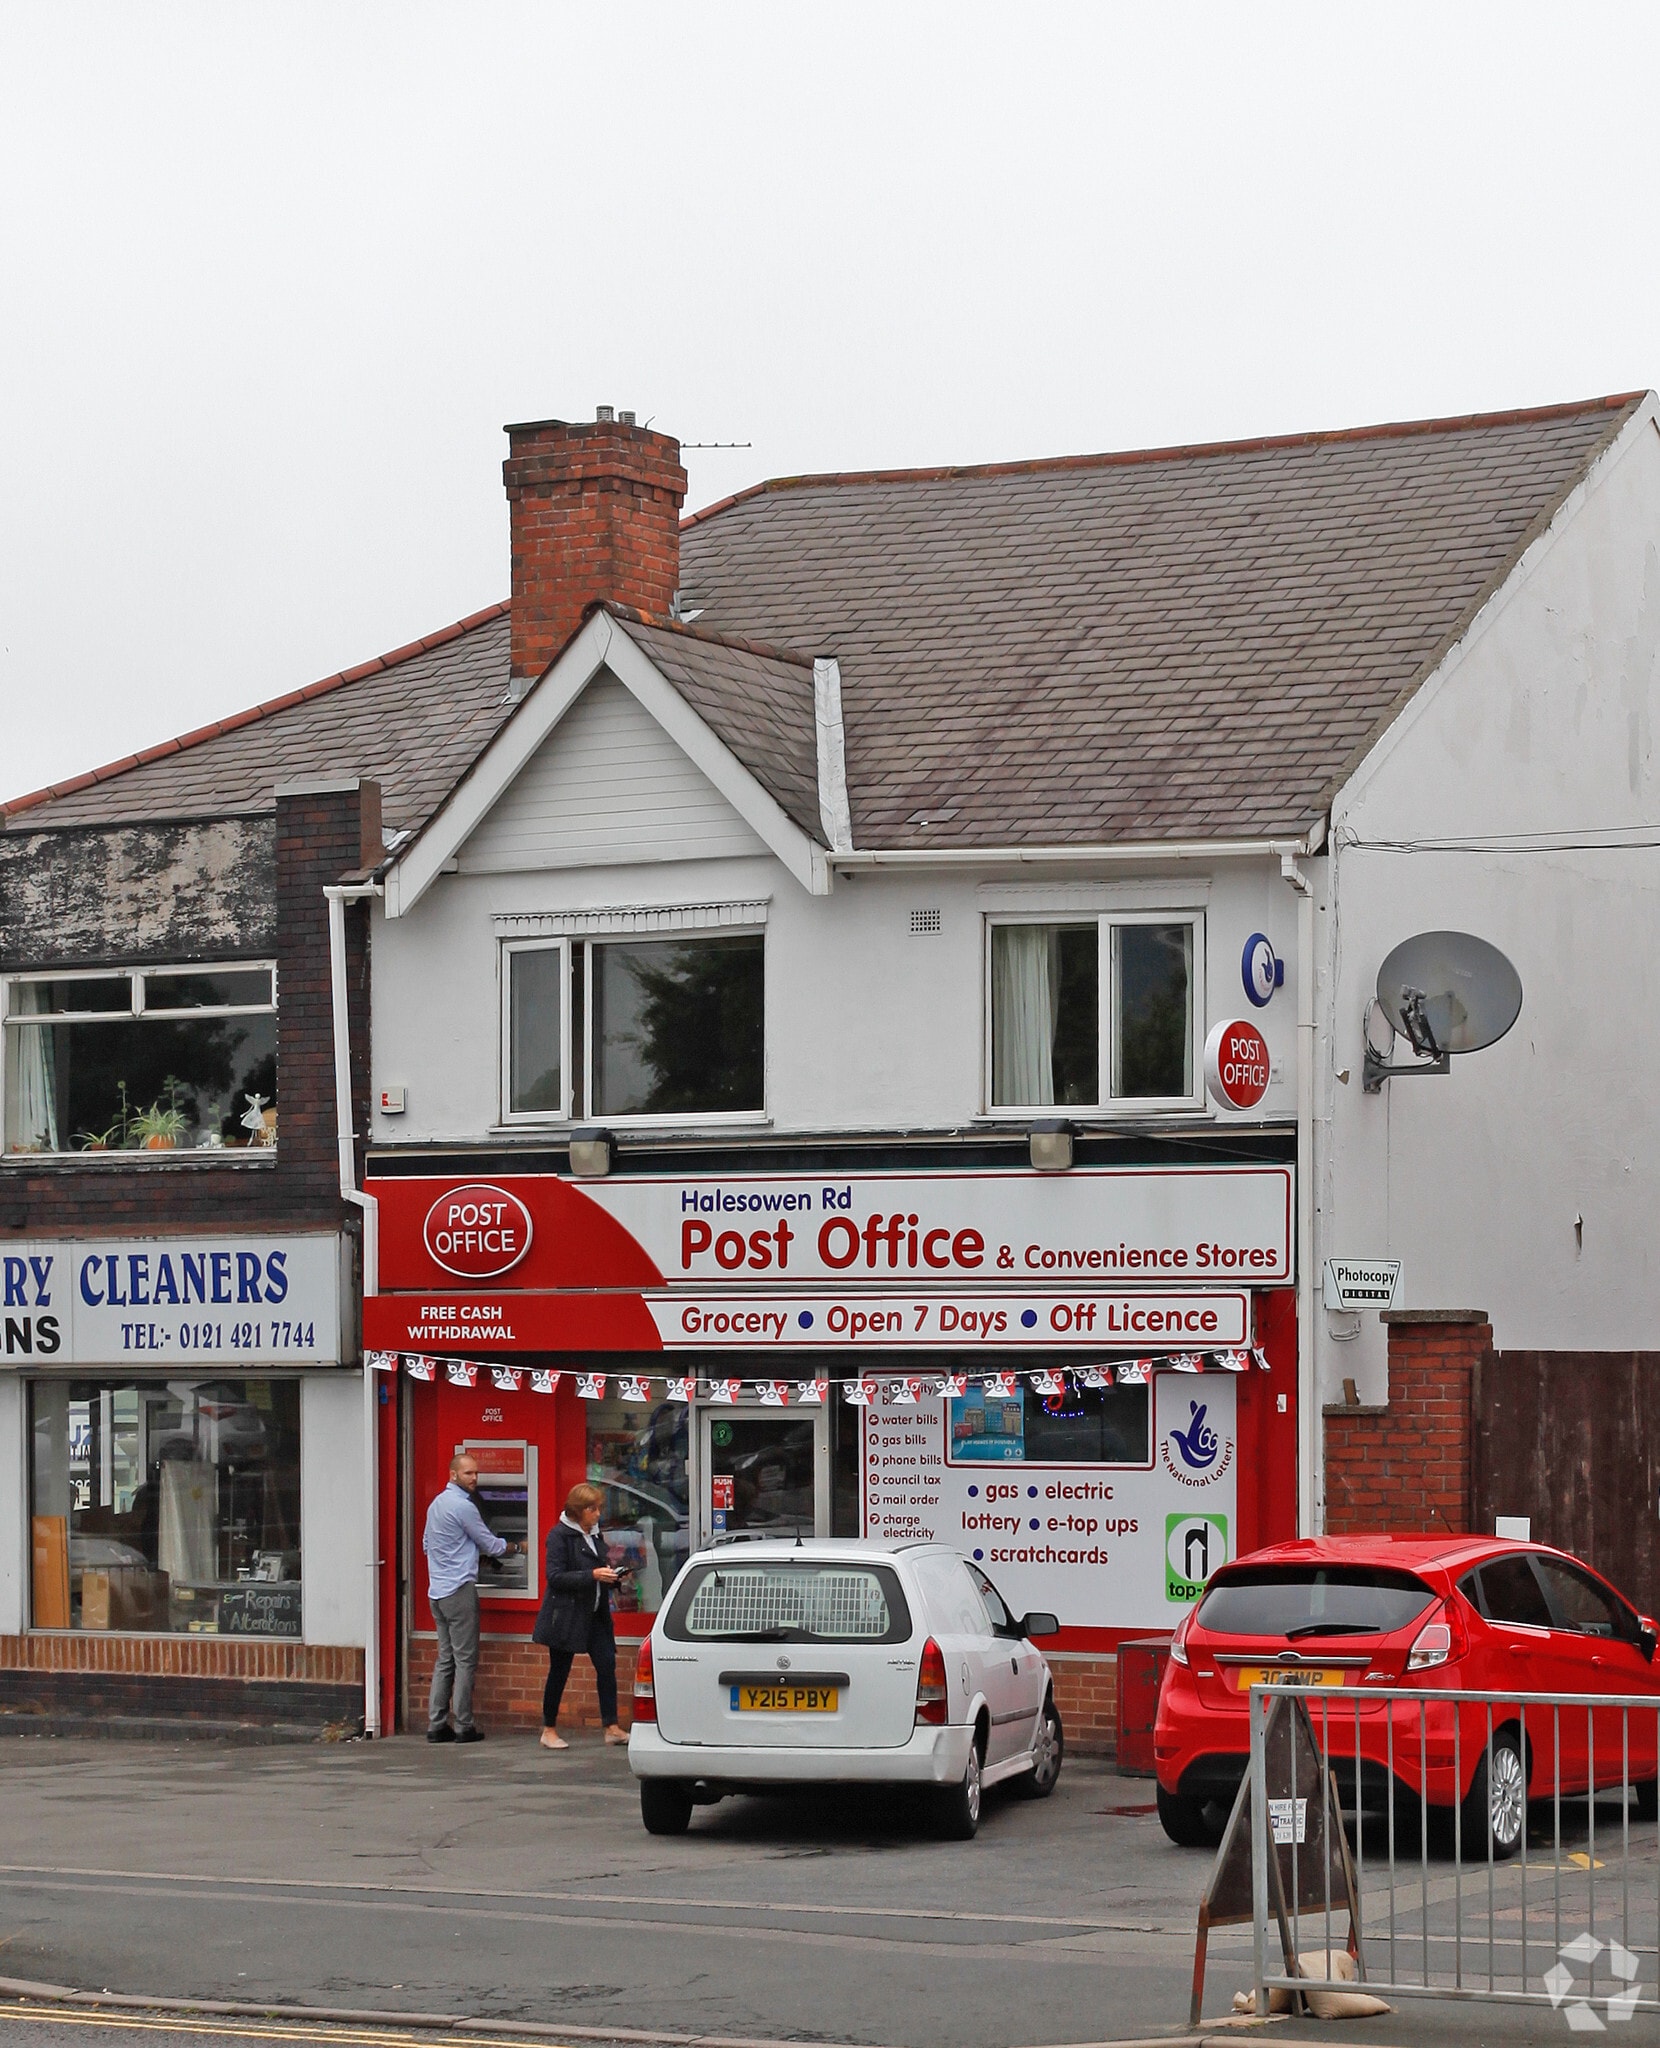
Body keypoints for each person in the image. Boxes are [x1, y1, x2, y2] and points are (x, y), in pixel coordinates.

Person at [423, 1451, 521, 1744]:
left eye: (476, 1472)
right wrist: (518, 1547)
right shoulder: (464, 1506)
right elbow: (491, 1544)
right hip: (458, 1591)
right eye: (468, 1473)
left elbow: (427, 1544)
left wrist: (460, 1556)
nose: (474, 1477)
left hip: (437, 1591)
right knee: (465, 1661)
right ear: (453, 1475)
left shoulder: (436, 1504)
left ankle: (436, 1725)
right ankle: (464, 1726)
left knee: (445, 1659)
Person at [532, 1480, 626, 1750]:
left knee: (606, 1665)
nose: (597, 1514)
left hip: (595, 1613)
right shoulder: (559, 1536)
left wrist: (611, 1577)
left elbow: (598, 1568)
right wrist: (593, 1575)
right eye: (591, 1509)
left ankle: (611, 1727)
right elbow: (555, 1577)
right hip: (567, 1616)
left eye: (598, 1508)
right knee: (559, 1670)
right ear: (577, 1511)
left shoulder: (594, 1535)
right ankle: (549, 1729)